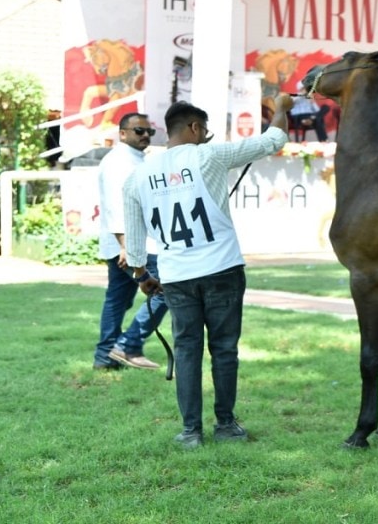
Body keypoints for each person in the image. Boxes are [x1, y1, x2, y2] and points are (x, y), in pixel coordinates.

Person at [123, 94, 293, 448]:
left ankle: (190, 432)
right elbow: (274, 140)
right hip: (222, 269)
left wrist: (142, 277)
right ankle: (226, 425)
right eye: (205, 130)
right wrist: (280, 109)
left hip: (176, 275)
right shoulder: (210, 155)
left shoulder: (137, 177)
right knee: (225, 349)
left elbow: (136, 246)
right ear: (195, 127)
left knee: (187, 350)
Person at [93, 113, 169, 371]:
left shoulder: (135, 159)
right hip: (131, 245)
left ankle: (105, 356)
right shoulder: (118, 161)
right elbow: (117, 205)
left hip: (123, 244)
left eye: (150, 131)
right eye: (139, 131)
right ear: (122, 133)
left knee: (117, 299)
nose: (146, 135)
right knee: (165, 290)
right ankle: (128, 345)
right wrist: (127, 246)